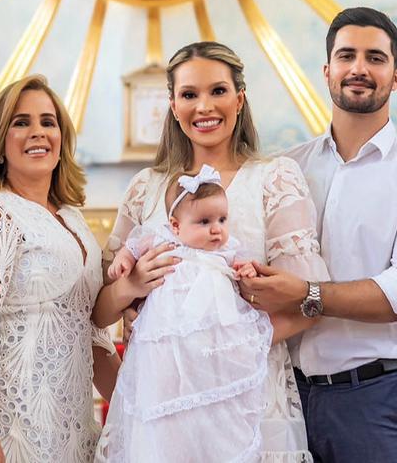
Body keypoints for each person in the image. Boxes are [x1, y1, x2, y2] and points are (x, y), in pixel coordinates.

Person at [242, 7, 397, 463]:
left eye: (375, 58)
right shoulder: (286, 169)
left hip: (378, 399)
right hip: (286, 396)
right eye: (347, 56)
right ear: (327, 71)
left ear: (396, 77)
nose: (359, 68)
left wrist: (307, 294)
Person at [103, 40, 329, 461]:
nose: (204, 106)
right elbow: (98, 313)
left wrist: (229, 349)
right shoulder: (145, 188)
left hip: (246, 393)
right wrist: (128, 287)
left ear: (239, 99)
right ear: (172, 105)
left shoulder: (275, 179)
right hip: (163, 403)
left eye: (218, 91)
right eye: (189, 94)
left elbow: (311, 304)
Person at [0, 74, 173, 462]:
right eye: (21, 122)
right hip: (5, 424)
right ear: (0, 142)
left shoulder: (73, 220)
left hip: (69, 427)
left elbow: (93, 335)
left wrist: (141, 418)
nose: (38, 132)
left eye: (48, 122)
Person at [98, 165, 290, 463]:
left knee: (215, 411)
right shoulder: (164, 242)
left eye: (222, 219)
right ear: (176, 226)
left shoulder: (224, 250)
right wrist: (123, 261)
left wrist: (247, 269)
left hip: (213, 349)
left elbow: (242, 263)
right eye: (204, 221)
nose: (217, 229)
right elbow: (133, 245)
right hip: (167, 348)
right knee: (167, 415)